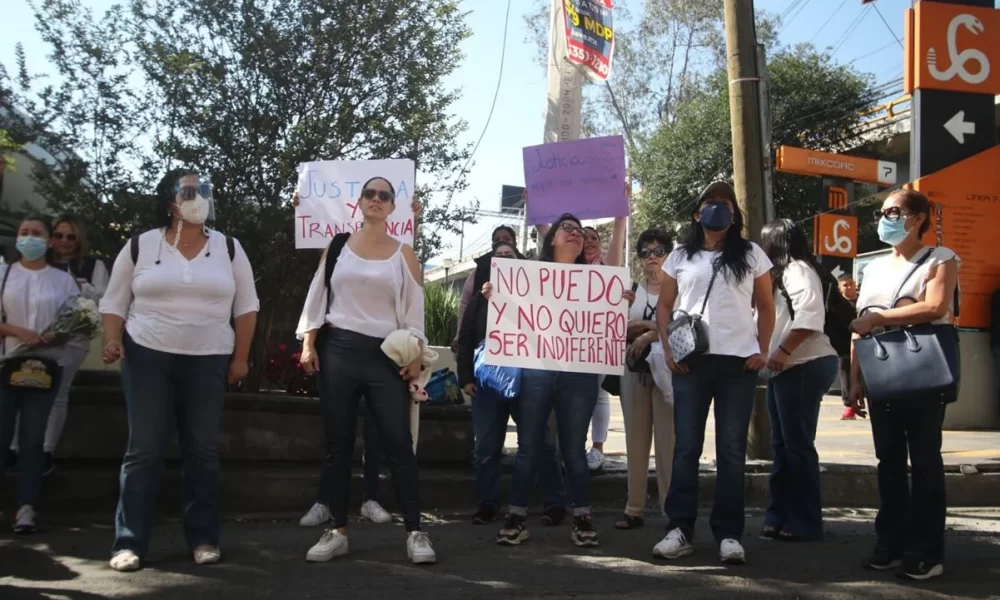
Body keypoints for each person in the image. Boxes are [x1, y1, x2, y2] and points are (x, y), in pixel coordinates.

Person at [100, 169, 259, 571]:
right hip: (147, 357)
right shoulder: (140, 245)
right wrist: (111, 339)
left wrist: (240, 358)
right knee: (144, 451)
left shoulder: (230, 248)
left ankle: (203, 538)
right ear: (171, 201)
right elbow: (114, 302)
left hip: (209, 358)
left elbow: (246, 307)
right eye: (190, 191)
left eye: (204, 191)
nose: (199, 197)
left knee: (202, 451)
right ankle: (129, 542)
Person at [297, 176, 435, 565]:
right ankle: (337, 530)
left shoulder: (404, 254)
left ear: (393, 207)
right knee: (337, 445)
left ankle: (415, 532)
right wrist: (309, 342)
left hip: (384, 355)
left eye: (384, 196)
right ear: (360, 202)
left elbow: (413, 308)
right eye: (370, 194)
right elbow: (317, 296)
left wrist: (415, 353)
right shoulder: (338, 246)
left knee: (398, 443)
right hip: (339, 349)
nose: (376, 199)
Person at [652, 181, 775, 565]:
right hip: (692, 363)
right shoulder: (678, 256)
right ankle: (680, 529)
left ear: (735, 215)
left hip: (738, 364)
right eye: (710, 202)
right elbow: (664, 307)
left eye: (725, 203)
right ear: (697, 213)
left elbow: (766, 306)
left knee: (732, 451)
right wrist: (669, 349)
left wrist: (763, 349)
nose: (717, 208)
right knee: (686, 447)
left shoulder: (752, 254)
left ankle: (729, 534)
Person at [847, 189, 960, 581]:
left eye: (894, 211)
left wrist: (880, 320)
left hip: (922, 369)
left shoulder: (940, 258)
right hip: (881, 371)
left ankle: (927, 550)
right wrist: (854, 379)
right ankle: (890, 543)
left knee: (926, 461)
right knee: (889, 461)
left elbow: (936, 307)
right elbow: (859, 323)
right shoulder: (875, 268)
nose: (886, 218)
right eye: (883, 212)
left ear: (917, 218)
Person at [489, 213, 619, 548]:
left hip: (579, 375)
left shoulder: (596, 282)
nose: (576, 234)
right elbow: (514, 316)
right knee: (529, 446)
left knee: (574, 450)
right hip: (536, 371)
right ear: (551, 239)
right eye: (568, 229)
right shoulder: (528, 275)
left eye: (580, 231)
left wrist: (620, 303)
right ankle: (516, 516)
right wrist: (496, 297)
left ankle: (583, 517)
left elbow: (612, 294)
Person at [457, 239, 566, 526]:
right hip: (489, 382)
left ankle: (554, 503)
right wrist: (465, 377)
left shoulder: (538, 297)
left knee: (540, 442)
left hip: (529, 378)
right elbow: (467, 335)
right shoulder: (482, 298)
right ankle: (487, 504)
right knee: (486, 447)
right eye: (499, 256)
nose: (504, 258)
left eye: (510, 255)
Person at [7, 216, 109, 474]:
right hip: (31, 337)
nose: (64, 241)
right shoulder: (39, 266)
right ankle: (14, 447)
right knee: (20, 389)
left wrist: (81, 288)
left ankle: (45, 449)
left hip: (71, 340)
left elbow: (103, 300)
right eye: (60, 236)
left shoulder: (91, 265)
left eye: (70, 236)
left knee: (57, 391)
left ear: (79, 240)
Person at [758, 219, 839, 542]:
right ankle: (779, 515)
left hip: (804, 364)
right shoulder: (778, 277)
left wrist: (781, 351)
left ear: (776, 243)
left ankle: (805, 521)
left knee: (798, 446)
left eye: (764, 241)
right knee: (783, 446)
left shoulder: (798, 270)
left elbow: (810, 316)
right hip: (785, 368)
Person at [0, 216, 80, 533]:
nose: (29, 238)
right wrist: (18, 331)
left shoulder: (63, 281)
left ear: (48, 241)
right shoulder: (4, 274)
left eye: (36, 234)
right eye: (24, 233)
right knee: (2, 436)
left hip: (46, 367)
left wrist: (54, 336)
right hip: (6, 365)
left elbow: (75, 321)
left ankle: (26, 506)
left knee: (33, 440)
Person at [536, 206, 627, 471]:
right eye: (579, 234)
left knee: (597, 396)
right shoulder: (559, 264)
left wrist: (621, 211)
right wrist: (535, 202)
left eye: (593, 237)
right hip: (559, 353)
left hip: (591, 349)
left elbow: (618, 236)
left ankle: (595, 450)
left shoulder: (605, 270)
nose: (586, 239)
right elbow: (546, 231)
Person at [615, 228, 675, 531]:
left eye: (658, 250)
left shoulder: (678, 287)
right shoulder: (632, 291)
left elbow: (682, 324)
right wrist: (650, 324)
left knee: (668, 443)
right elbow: (619, 330)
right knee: (635, 441)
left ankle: (671, 511)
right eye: (645, 252)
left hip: (667, 372)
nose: (652, 257)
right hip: (634, 372)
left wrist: (649, 334)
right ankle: (633, 508)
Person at [451, 225, 518, 352]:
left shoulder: (528, 270)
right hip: (482, 342)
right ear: (492, 245)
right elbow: (465, 303)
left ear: (514, 243)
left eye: (506, 239)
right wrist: (459, 335)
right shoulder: (479, 271)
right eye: (497, 239)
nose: (501, 241)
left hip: (517, 344)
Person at [837, 274, 860, 420]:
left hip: (864, 344)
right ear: (840, 289)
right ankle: (849, 405)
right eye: (845, 285)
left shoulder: (862, 301)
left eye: (851, 283)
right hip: (844, 347)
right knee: (846, 373)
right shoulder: (837, 304)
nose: (849, 287)